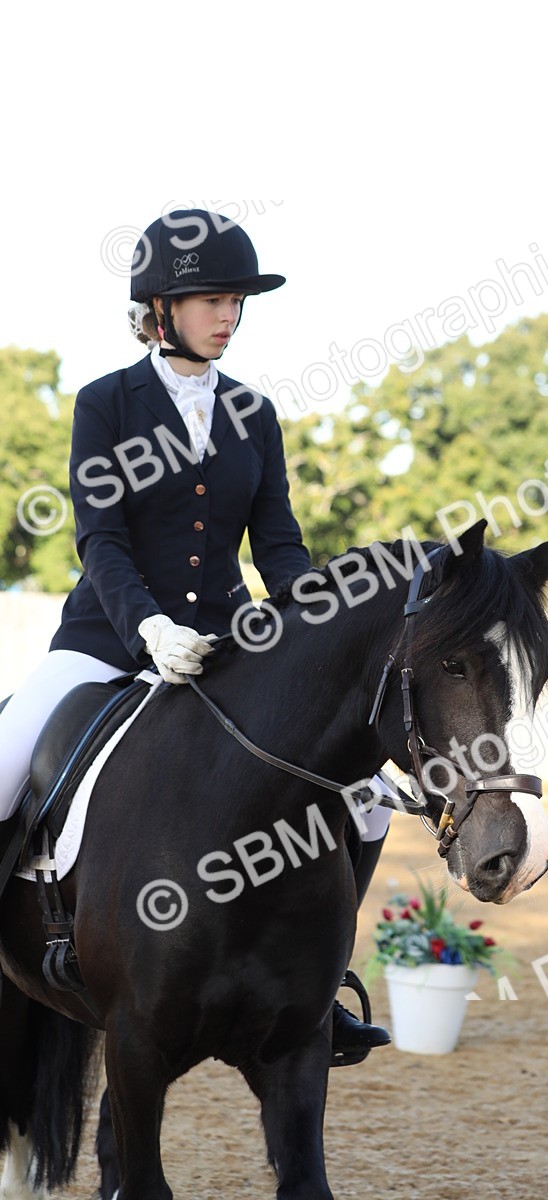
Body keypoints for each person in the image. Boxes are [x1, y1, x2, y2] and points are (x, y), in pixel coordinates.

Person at [0, 208, 391, 1053]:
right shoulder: (105, 403)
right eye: (212, 299)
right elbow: (98, 537)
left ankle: (324, 991)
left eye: (237, 301)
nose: (229, 316)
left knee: (364, 801)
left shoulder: (255, 413)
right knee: (1, 765)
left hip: (228, 649)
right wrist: (144, 623)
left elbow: (279, 544)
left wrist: (306, 624)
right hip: (104, 641)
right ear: (161, 307)